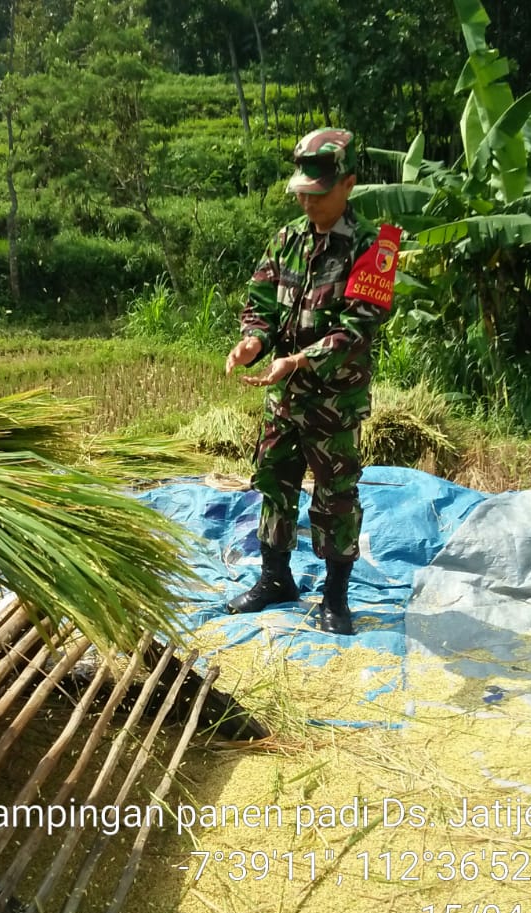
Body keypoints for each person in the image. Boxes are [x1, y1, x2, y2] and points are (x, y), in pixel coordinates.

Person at [224, 128, 400, 635]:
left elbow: (358, 326)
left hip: (333, 401)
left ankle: (335, 598)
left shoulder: (373, 250)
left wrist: (298, 360)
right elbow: (259, 304)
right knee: (275, 485)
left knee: (335, 496)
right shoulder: (288, 239)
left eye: (317, 194)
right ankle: (275, 579)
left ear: (347, 184)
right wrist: (253, 343)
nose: (307, 202)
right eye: (302, 191)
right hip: (283, 400)